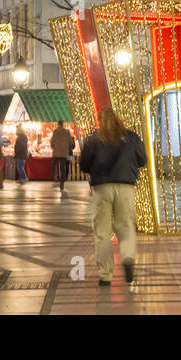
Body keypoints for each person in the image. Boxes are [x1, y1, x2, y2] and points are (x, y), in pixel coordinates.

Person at [79, 107, 147, 286]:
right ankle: (128, 258)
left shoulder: (94, 139)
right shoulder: (131, 137)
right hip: (125, 187)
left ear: (100, 121)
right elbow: (143, 160)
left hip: (102, 188)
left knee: (102, 232)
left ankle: (105, 275)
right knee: (125, 226)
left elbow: (84, 164)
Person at [50, 121, 75, 195]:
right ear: (63, 124)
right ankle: (62, 183)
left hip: (56, 153)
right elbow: (71, 142)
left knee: (54, 165)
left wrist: (54, 147)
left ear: (58, 124)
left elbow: (52, 142)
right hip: (64, 153)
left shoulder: (55, 132)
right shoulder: (67, 132)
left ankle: (55, 176)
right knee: (63, 168)